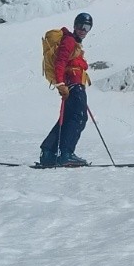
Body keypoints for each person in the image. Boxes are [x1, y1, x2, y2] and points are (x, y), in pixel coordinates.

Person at [39, 12, 93, 167]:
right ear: (75, 26)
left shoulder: (72, 41)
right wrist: (60, 84)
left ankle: (48, 152)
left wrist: (63, 84)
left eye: (87, 26)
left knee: (68, 119)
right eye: (80, 25)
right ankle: (66, 154)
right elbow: (60, 62)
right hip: (73, 86)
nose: (83, 29)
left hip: (71, 86)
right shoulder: (69, 41)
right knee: (79, 118)